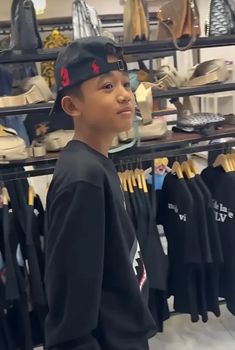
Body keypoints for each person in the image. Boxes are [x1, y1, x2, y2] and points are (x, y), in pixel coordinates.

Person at [45, 36, 156, 350]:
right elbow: (70, 317)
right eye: (107, 87)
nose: (124, 95)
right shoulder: (84, 179)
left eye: (125, 83)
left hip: (125, 331)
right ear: (72, 106)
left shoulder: (97, 162)